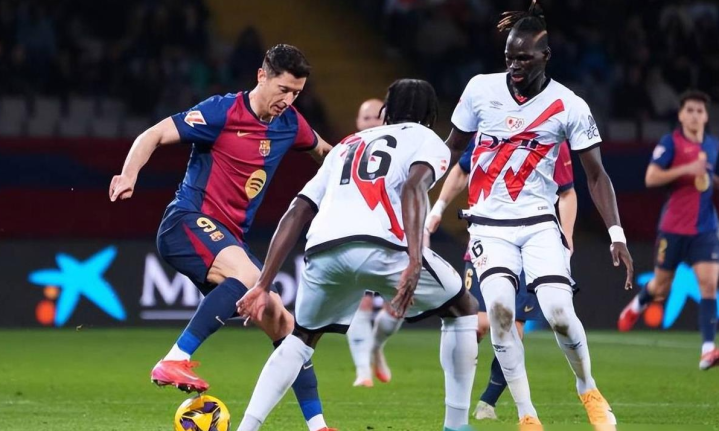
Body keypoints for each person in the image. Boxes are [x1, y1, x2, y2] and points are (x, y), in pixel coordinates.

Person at [109, 44, 336, 431]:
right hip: (186, 221)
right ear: (261, 76)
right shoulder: (222, 111)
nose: (288, 100)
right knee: (251, 277)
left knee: (285, 325)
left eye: (296, 93)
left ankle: (318, 426)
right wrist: (129, 174)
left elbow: (327, 154)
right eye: (283, 89)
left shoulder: (291, 123)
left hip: (228, 240)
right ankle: (175, 358)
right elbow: (154, 133)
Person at [236, 79, 480, 431]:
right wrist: (415, 259)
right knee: (463, 309)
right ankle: (455, 425)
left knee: (301, 339)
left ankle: (247, 427)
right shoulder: (426, 138)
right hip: (382, 247)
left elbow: (298, 209)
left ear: (386, 111)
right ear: (430, 114)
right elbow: (414, 186)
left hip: (323, 250)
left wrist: (263, 284)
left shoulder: (346, 145)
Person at [442, 0, 634, 425]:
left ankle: (587, 387)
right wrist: (420, 187)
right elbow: (452, 148)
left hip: (538, 225)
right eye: (509, 56)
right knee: (500, 312)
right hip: (488, 226)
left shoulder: (569, 105)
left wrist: (616, 234)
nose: (514, 65)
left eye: (524, 58)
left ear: (546, 56)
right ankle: (527, 414)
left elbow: (596, 176)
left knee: (560, 314)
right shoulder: (479, 90)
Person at [424, 141, 576, 420]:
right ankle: (456, 400)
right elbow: (462, 169)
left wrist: (567, 239)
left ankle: (487, 403)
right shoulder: (489, 127)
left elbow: (567, 191)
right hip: (488, 239)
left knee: (514, 329)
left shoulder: (553, 134)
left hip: (531, 243)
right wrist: (438, 208)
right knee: (476, 324)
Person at [618, 90, 719, 370]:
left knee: (709, 284)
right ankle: (637, 305)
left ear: (706, 117)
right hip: (674, 227)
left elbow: (709, 176)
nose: (695, 115)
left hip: (705, 228)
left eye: (700, 111)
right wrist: (686, 169)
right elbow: (651, 177)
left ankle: (707, 350)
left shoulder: (712, 145)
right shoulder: (671, 143)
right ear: (681, 115)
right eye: (690, 110)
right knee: (661, 285)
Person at [344, 98, 389, 387]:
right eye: (366, 117)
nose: (372, 122)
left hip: (392, 234)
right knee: (361, 301)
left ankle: (376, 346)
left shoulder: (402, 150)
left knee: (400, 304)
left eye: (377, 117)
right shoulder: (346, 152)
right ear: (358, 123)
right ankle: (363, 371)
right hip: (357, 234)